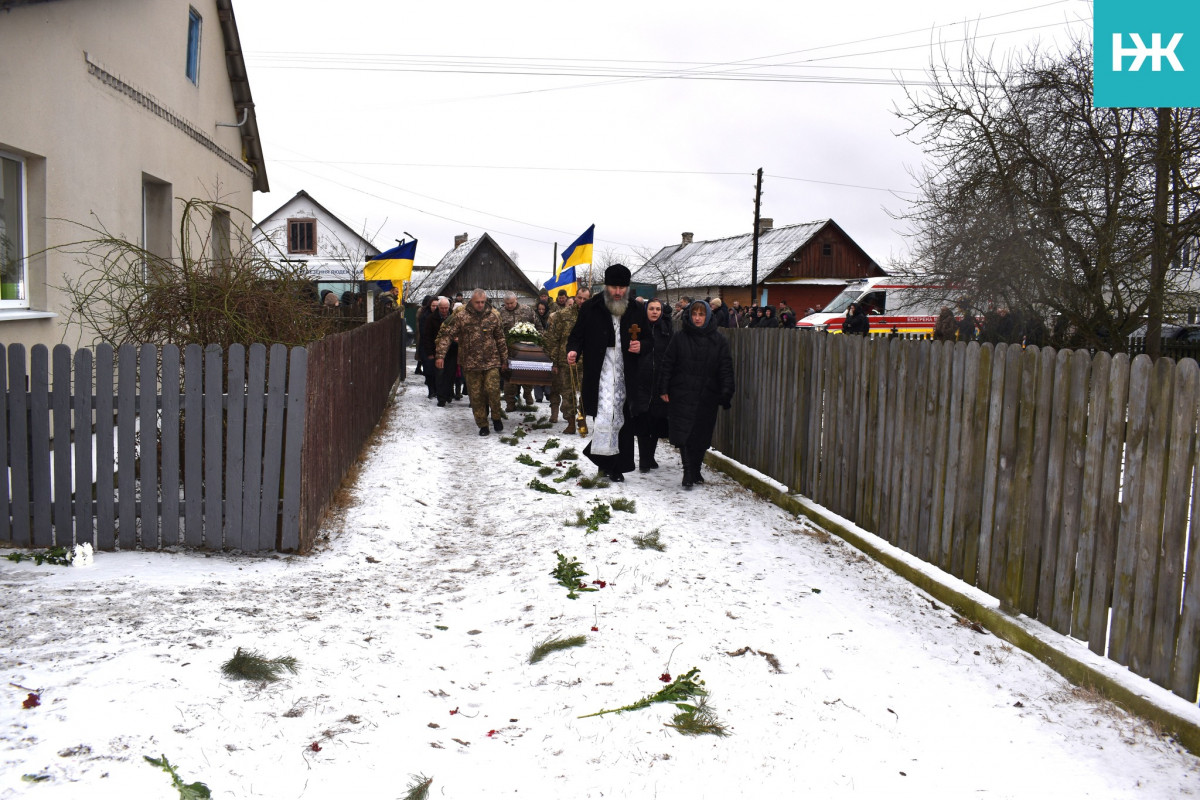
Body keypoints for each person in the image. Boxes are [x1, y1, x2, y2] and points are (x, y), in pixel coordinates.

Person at [566, 265, 647, 481]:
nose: (618, 292)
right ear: (605, 286)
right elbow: (577, 336)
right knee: (603, 417)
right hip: (600, 369)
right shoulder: (591, 307)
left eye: (622, 287)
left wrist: (642, 346)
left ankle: (617, 466)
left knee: (622, 419)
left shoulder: (637, 310)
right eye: (614, 287)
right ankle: (604, 463)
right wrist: (573, 350)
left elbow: (649, 339)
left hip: (625, 370)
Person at [659, 300, 735, 488]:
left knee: (701, 435)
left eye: (701, 314)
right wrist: (664, 388)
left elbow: (725, 368)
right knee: (684, 432)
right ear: (690, 316)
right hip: (682, 392)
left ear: (708, 316)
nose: (698, 318)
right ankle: (687, 472)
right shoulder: (680, 337)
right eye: (695, 314)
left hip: (706, 395)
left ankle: (696, 469)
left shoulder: (718, 340)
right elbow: (668, 363)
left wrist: (726, 392)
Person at [435, 289, 508, 436]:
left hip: (491, 361)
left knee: (493, 390)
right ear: (471, 301)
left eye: (482, 302)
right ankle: (483, 424)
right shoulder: (461, 316)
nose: (480, 305)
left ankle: (496, 416)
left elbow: (500, 338)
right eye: (477, 302)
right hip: (470, 363)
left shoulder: (493, 315)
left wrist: (504, 360)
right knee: (476, 395)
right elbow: (447, 335)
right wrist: (440, 355)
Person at [630, 297, 673, 472]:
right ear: (645, 310)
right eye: (651, 309)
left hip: (660, 381)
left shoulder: (667, 329)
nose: (655, 311)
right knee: (642, 420)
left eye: (658, 309)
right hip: (641, 380)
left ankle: (651, 456)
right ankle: (644, 461)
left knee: (656, 420)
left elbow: (672, 355)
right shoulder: (638, 328)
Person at [498, 292, 538, 410]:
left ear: (516, 300)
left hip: (526, 349)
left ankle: (527, 393)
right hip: (508, 350)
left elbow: (538, 326)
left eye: (511, 303)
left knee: (527, 373)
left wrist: (537, 341)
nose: (509, 306)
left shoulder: (527, 310)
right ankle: (510, 402)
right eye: (507, 304)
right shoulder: (500, 313)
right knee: (508, 377)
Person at [434, 297, 459, 407]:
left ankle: (449, 394)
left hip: (453, 351)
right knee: (440, 374)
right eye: (442, 308)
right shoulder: (434, 319)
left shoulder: (456, 319)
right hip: (440, 350)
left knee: (451, 374)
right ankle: (441, 397)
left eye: (446, 308)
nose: (444, 310)